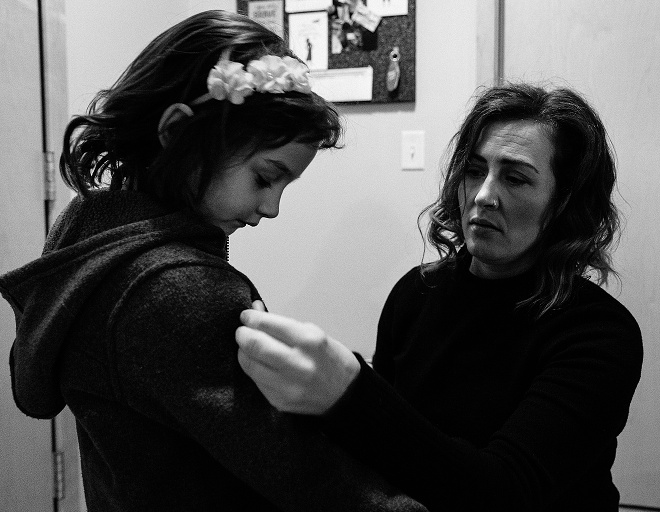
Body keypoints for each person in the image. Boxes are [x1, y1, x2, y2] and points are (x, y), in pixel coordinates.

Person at [0, 10, 427, 512]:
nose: (271, 208)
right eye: (266, 178)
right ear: (178, 132)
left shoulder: (88, 234)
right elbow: (307, 477)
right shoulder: (180, 291)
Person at [236, 83, 644, 512]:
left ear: (565, 203)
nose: (483, 196)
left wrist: (350, 393)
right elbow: (387, 454)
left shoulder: (598, 334)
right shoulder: (418, 292)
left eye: (516, 178)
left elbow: (503, 494)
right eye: (473, 170)